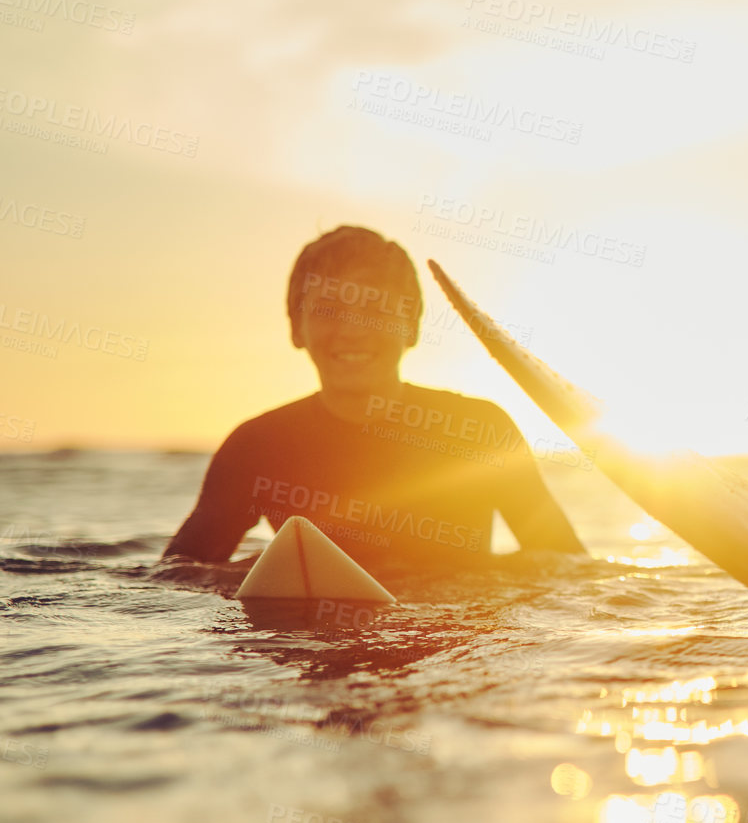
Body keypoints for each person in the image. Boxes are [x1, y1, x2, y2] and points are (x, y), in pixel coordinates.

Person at [164, 226, 585, 575]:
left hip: (451, 658)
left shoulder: (481, 430)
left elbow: (569, 569)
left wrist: (490, 582)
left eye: (375, 309)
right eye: (328, 308)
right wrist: (257, 571)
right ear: (296, 328)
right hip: (314, 654)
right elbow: (175, 576)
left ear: (412, 327)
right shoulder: (257, 446)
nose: (351, 330)